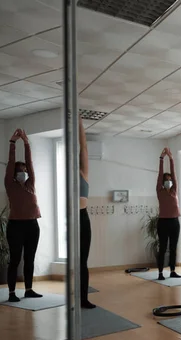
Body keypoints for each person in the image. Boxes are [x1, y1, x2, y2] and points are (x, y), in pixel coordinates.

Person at [4, 129, 42, 302]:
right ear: (14, 173)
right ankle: (12, 293)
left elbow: (30, 162)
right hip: (15, 226)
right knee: (15, 260)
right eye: (19, 170)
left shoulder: (31, 183)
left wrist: (27, 142)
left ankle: (29, 289)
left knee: (30, 258)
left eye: (24, 170)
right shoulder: (10, 185)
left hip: (32, 225)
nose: (23, 172)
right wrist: (13, 143)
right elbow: (11, 163)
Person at [156, 147, 181, 280]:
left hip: (174, 222)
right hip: (163, 222)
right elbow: (160, 175)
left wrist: (171, 158)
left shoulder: (174, 190)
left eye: (170, 179)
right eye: (166, 179)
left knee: (173, 248)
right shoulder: (159, 191)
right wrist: (161, 159)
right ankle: (160, 273)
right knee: (163, 247)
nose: (168, 181)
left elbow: (174, 174)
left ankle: (172, 270)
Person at [79, 116, 96, 309]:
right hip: (70, 219)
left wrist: (80, 123)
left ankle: (83, 299)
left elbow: (83, 148)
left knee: (83, 262)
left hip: (83, 219)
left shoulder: (82, 173)